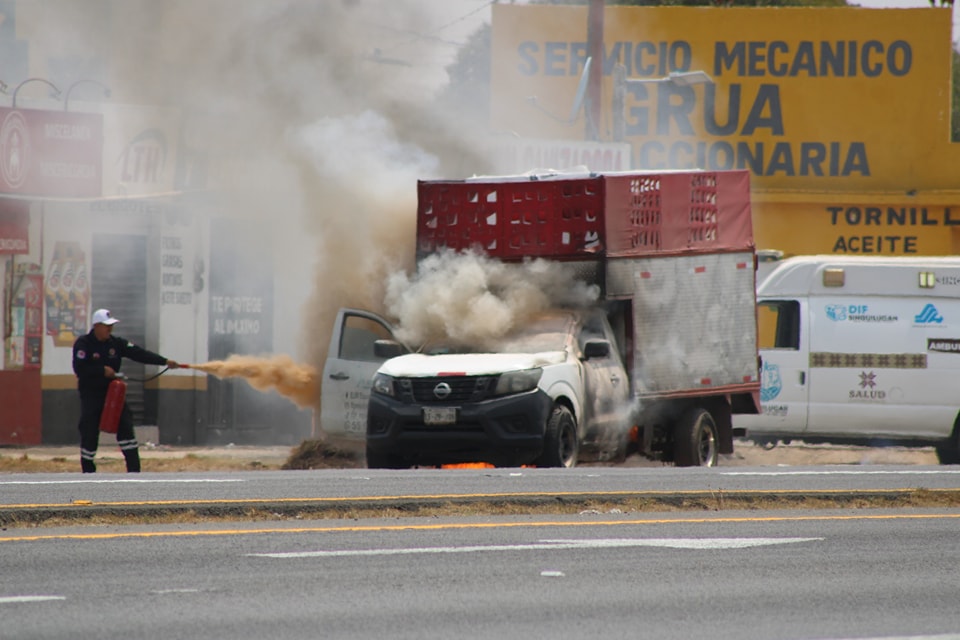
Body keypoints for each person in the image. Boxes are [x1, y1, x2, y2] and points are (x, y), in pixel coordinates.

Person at [72, 308, 182, 473]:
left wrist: (165, 361)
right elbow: (79, 368)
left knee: (125, 425)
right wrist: (101, 370)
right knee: (89, 430)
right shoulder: (83, 344)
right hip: (91, 393)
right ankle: (88, 471)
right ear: (96, 326)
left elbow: (139, 353)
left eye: (111, 325)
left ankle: (134, 470)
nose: (110, 329)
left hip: (113, 394)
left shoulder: (116, 343)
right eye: (106, 326)